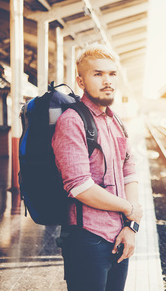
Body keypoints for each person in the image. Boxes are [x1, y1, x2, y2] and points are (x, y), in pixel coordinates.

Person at [52, 43, 143, 291]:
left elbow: (129, 171)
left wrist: (130, 226)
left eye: (112, 74)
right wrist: (130, 208)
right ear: (81, 82)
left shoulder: (115, 121)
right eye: (98, 74)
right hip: (87, 239)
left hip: (120, 236)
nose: (107, 81)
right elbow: (79, 187)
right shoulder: (72, 121)